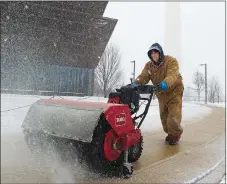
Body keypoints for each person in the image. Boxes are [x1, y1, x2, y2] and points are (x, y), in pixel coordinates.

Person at [132, 43, 184, 145]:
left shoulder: (171, 61)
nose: (154, 55)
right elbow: (143, 77)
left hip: (174, 90)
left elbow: (172, 75)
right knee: (164, 117)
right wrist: (134, 83)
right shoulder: (149, 66)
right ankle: (170, 133)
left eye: (156, 52)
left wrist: (164, 83)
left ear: (160, 53)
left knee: (173, 116)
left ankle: (175, 135)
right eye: (151, 53)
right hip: (161, 92)